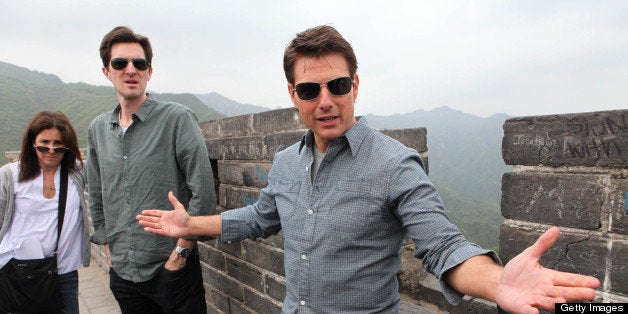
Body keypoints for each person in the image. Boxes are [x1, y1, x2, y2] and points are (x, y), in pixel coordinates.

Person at [137, 25, 601, 313]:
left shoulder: (394, 163)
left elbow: (441, 244)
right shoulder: (285, 163)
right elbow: (261, 217)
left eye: (337, 85)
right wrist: (190, 224)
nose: (325, 101)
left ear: (355, 84)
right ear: (291, 94)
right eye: (309, 90)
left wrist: (497, 281)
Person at [87, 26, 216, 314]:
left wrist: (180, 254)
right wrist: (109, 250)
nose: (131, 69)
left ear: (149, 71)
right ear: (107, 72)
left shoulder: (176, 119)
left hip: (171, 269)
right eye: (120, 63)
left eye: (139, 63)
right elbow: (97, 195)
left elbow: (204, 192)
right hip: (122, 272)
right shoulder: (98, 129)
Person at [0, 111, 91, 313]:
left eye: (58, 144)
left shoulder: (76, 173)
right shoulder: (10, 175)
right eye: (44, 143)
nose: (51, 149)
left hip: (63, 272)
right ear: (32, 142)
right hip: (19, 272)